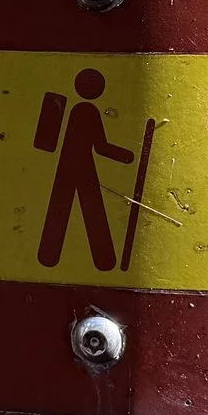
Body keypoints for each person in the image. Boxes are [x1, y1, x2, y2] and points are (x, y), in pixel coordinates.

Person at [35, 68, 131, 271]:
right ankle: (103, 260)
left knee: (60, 209)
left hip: (68, 166)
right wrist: (126, 156)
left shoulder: (74, 109)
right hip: (83, 168)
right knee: (92, 210)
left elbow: (46, 141)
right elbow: (101, 147)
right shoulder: (87, 111)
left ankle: (49, 256)